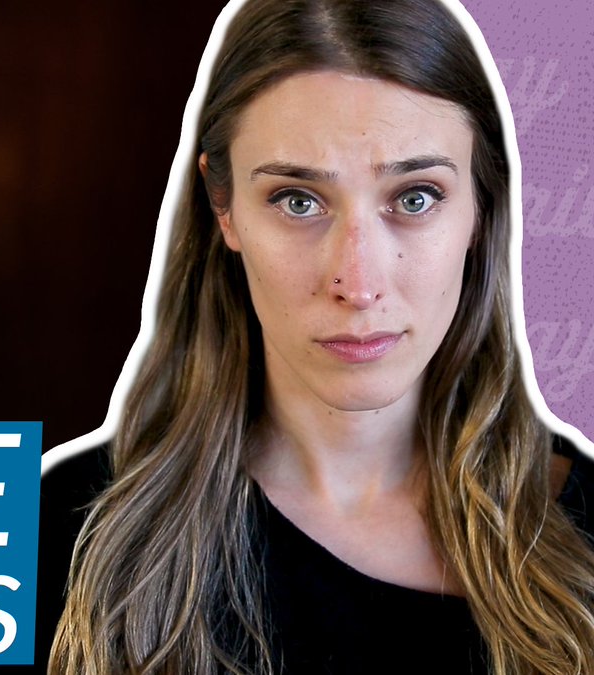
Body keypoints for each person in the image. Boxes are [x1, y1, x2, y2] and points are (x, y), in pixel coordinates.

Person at [38, 0, 594, 673]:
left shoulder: (583, 532)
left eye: (415, 197)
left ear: (480, 210)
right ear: (225, 209)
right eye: (298, 200)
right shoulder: (48, 532)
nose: (358, 284)